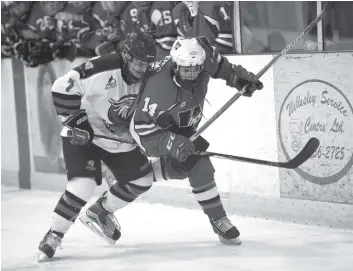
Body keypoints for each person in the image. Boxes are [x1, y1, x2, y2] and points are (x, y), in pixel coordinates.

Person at [36, 32, 157, 261]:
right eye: (138, 64)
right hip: (84, 133)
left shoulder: (152, 75)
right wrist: (76, 122)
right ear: (125, 56)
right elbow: (61, 87)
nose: (142, 70)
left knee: (142, 179)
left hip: (117, 138)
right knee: (83, 185)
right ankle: (54, 234)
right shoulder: (101, 68)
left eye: (146, 64)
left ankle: (101, 211)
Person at [130, 37, 263, 244]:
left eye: (196, 70)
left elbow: (222, 67)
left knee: (192, 167)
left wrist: (238, 79)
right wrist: (170, 142)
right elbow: (141, 129)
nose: (191, 75)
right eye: (185, 70)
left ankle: (218, 219)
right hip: (152, 130)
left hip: (182, 125)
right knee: (194, 167)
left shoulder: (203, 53)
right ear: (175, 66)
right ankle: (219, 219)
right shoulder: (157, 87)